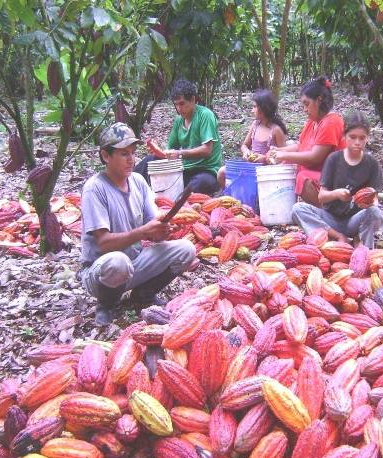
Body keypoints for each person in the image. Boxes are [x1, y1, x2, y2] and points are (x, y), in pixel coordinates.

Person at [80, 122, 196, 326]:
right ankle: (106, 304)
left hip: (134, 263)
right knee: (117, 262)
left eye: (133, 153)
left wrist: (161, 231)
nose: (131, 159)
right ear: (106, 156)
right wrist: (143, 232)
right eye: (124, 154)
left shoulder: (138, 182)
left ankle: (143, 293)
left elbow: (152, 228)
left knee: (186, 249)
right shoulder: (95, 189)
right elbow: (104, 244)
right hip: (99, 271)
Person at [292, 111, 383, 248]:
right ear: (344, 136)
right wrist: (337, 194)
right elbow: (322, 197)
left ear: (367, 138)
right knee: (297, 209)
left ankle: (364, 247)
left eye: (362, 138)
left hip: (355, 219)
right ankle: (336, 237)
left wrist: (370, 203)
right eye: (352, 137)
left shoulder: (371, 163)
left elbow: (375, 197)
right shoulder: (334, 159)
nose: (357, 142)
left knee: (375, 213)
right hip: (331, 219)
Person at [136, 79, 222, 195]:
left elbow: (207, 150)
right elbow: (170, 150)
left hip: (206, 170)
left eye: (182, 103)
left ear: (192, 100)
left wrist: (180, 153)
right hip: (183, 169)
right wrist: (159, 151)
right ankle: (128, 184)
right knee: (150, 160)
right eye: (176, 104)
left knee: (196, 185)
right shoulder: (178, 120)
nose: (178, 108)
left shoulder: (205, 115)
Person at [269, 76, 345, 206]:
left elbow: (315, 157)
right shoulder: (313, 122)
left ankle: (328, 212)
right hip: (322, 175)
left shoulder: (331, 122)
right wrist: (278, 151)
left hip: (335, 181)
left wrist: (285, 155)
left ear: (319, 100)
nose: (304, 109)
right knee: (287, 162)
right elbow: (301, 146)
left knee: (302, 177)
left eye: (307, 104)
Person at [217, 89, 288, 188]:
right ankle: (230, 197)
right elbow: (244, 145)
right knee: (222, 172)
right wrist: (246, 152)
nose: (252, 110)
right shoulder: (255, 125)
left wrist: (265, 159)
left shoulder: (276, 130)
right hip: (250, 166)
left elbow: (285, 158)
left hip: (266, 171)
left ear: (264, 108)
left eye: (254, 107)